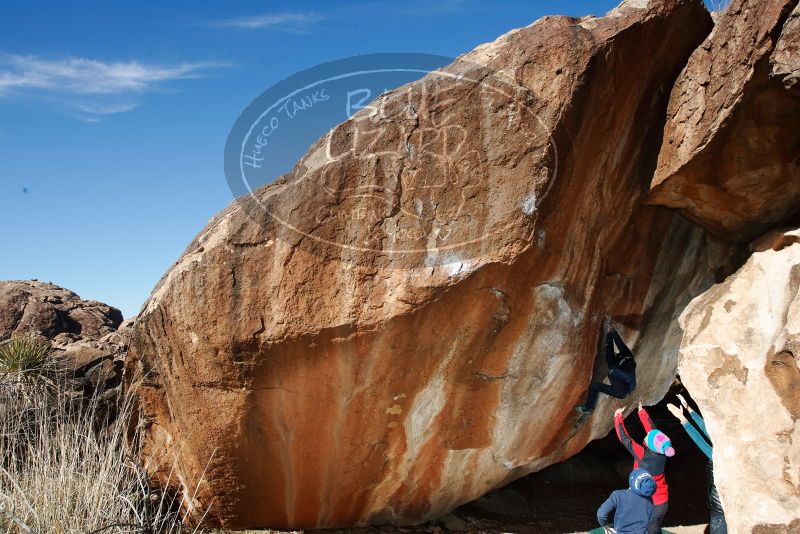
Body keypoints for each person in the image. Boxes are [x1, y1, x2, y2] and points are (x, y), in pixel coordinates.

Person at [667, 393, 727, 534]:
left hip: (721, 506)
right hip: (721, 501)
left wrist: (683, 419)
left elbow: (702, 443)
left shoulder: (722, 457)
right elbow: (709, 432)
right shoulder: (727, 441)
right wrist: (690, 410)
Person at [614, 401, 674, 534]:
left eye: (647, 437)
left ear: (649, 444)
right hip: (661, 502)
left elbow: (625, 439)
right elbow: (652, 431)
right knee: (653, 527)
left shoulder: (642, 455)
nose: (646, 435)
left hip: (645, 502)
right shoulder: (662, 451)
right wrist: (641, 411)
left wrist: (618, 417)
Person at [576, 318, 636, 414]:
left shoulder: (614, 368)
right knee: (616, 381)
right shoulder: (628, 357)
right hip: (629, 385)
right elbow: (620, 344)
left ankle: (588, 408)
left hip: (620, 392)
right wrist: (612, 331)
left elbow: (609, 352)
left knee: (594, 386)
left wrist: (609, 335)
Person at [597, 468, 657, 534]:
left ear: (632, 481)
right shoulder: (649, 500)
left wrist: (605, 525)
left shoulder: (618, 495)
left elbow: (601, 514)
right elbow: (650, 519)